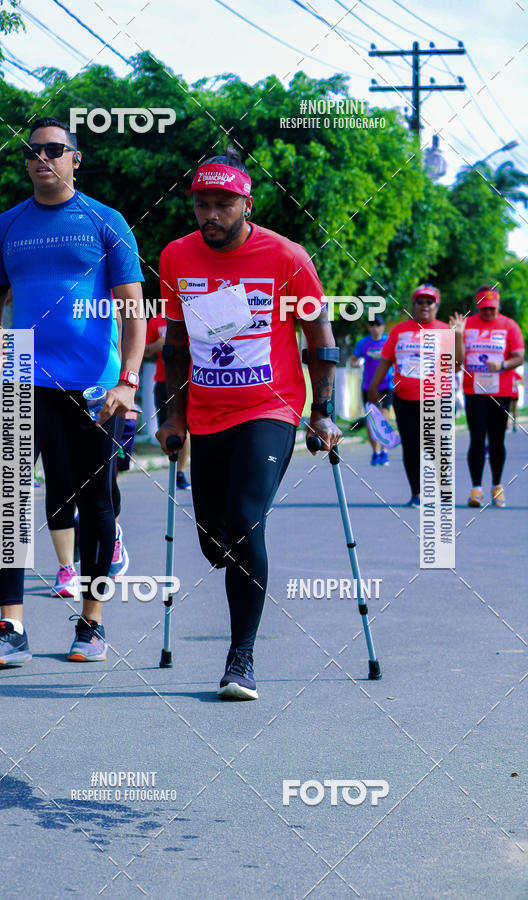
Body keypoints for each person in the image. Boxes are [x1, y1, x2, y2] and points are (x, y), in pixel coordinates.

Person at [156, 149, 341, 701]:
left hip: (270, 408)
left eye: (223, 204)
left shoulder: (286, 257)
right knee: (215, 540)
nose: (211, 215)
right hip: (207, 414)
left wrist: (322, 411)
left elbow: (320, 338)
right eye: (202, 205)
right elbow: (176, 343)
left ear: (247, 205)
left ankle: (241, 659)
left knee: (242, 520)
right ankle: (234, 557)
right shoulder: (176, 256)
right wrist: (172, 414)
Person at [0, 116, 146, 666]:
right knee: (11, 500)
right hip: (22, 370)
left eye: (54, 149)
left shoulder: (106, 220)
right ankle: (11, 626)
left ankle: (91, 623)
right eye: (33, 150)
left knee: (96, 502)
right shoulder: (5, 226)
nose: (42, 157)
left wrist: (128, 380)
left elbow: (133, 309)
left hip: (94, 382)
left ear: (74, 159)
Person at [368, 284, 449, 507]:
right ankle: (417, 493)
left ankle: (443, 485)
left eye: (429, 301)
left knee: (435, 445)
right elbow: (385, 360)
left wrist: (459, 336)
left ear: (436, 306)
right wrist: (373, 387)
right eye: (420, 301)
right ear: (413, 305)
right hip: (404, 398)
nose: (424, 305)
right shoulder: (399, 331)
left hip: (435, 398)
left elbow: (456, 363)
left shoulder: (444, 330)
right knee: (411, 446)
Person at [450, 286, 524, 508]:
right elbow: (457, 363)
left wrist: (502, 365)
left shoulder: (509, 326)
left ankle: (497, 486)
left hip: (501, 392)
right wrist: (458, 335)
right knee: (477, 438)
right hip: (475, 391)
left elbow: (519, 357)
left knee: (497, 440)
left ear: (498, 306)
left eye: (492, 308)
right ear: (478, 307)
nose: (488, 313)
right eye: (484, 309)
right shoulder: (467, 325)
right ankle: (476, 489)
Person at [145, 309, 191, 488]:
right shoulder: (156, 321)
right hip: (163, 382)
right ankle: (173, 465)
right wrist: (157, 345)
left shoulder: (189, 316)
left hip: (187, 381)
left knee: (186, 428)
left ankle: (180, 472)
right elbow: (145, 350)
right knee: (167, 427)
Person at [350, 315, 394, 465]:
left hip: (386, 385)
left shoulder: (389, 341)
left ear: (383, 327)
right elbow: (353, 360)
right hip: (369, 387)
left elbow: (398, 357)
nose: (375, 328)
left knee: (384, 416)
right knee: (371, 419)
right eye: (372, 325)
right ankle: (376, 452)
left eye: (377, 325)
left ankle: (384, 450)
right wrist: (358, 363)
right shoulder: (363, 343)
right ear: (369, 327)